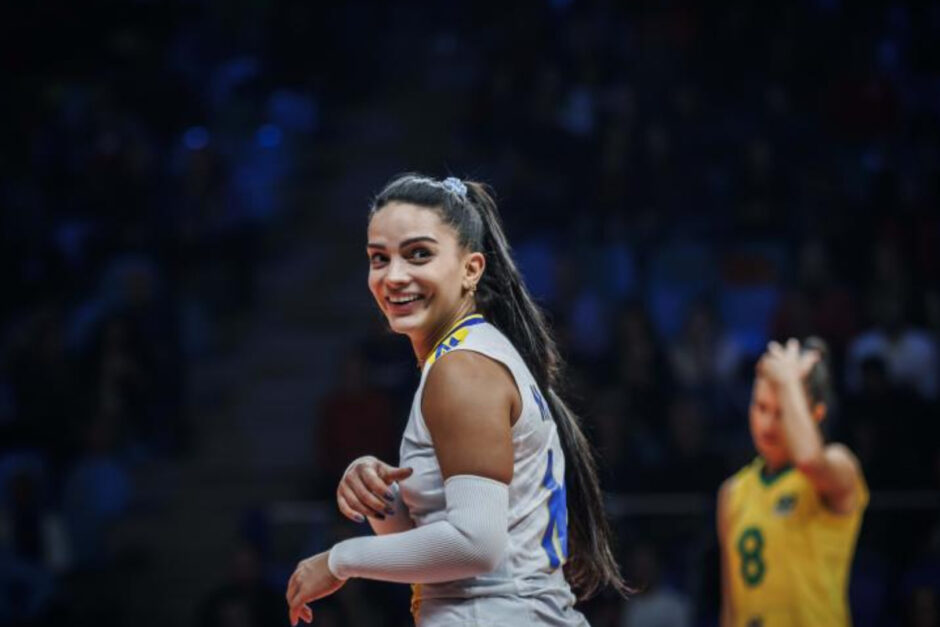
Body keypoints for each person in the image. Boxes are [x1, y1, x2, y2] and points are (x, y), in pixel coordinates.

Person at [285, 174, 627, 625]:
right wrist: (384, 499)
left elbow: (474, 546)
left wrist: (338, 560)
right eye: (378, 258)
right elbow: (443, 563)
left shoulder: (462, 369)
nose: (394, 276)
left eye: (418, 254)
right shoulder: (470, 356)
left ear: (471, 269)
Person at [717, 338, 868, 626]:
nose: (768, 424)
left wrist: (788, 380)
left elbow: (809, 458)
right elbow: (731, 609)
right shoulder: (732, 492)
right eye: (761, 407)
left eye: (782, 411)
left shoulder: (840, 465)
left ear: (816, 414)